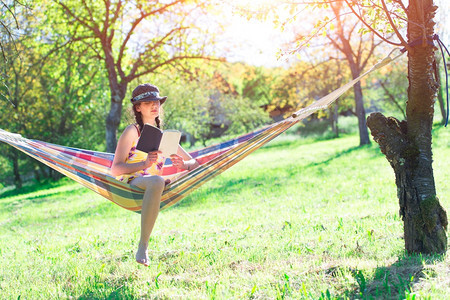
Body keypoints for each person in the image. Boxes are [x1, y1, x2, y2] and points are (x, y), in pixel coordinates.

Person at [110, 83, 199, 266]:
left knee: (166, 179)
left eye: (157, 101)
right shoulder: (132, 131)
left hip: (155, 184)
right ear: (138, 107)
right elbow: (116, 169)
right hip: (131, 183)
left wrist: (184, 164)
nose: (155, 105)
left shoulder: (165, 137)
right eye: (149, 102)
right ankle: (143, 245)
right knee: (157, 181)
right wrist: (144, 163)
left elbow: (195, 163)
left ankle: (144, 244)